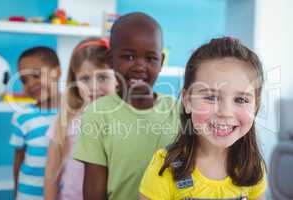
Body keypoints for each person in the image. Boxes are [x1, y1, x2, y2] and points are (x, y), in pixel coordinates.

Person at [139, 37, 267, 200]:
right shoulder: (165, 167)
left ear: (256, 106)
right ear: (187, 101)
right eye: (211, 97)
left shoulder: (253, 168)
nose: (225, 112)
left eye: (241, 99)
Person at [73, 12, 180, 200]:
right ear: (110, 59)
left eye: (150, 58)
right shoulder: (97, 114)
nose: (139, 66)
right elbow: (93, 190)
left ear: (161, 61)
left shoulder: (177, 110)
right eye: (129, 57)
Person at [44, 38, 117, 200]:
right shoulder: (66, 119)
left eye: (103, 77)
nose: (93, 87)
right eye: (85, 79)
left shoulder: (124, 120)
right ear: (75, 82)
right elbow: (51, 173)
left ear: (117, 79)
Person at [10, 46, 61, 200]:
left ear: (57, 72)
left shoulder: (75, 113)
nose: (30, 84)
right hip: (28, 195)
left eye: (36, 75)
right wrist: (16, 193)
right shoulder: (22, 117)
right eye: (24, 80)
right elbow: (18, 159)